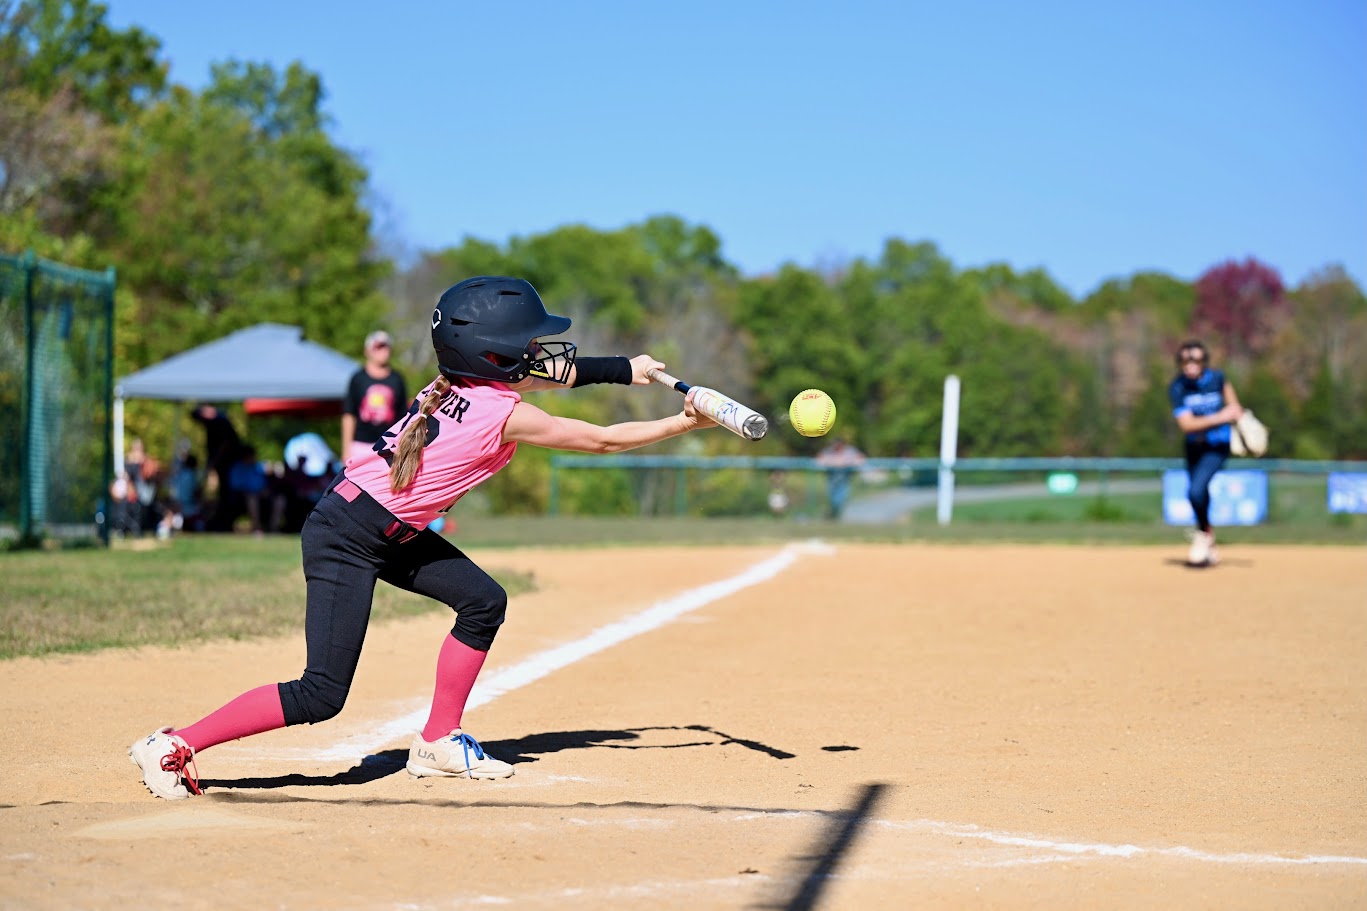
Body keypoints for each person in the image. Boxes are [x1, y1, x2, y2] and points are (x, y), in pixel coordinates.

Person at [129, 276, 718, 799]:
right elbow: (602, 439)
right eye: (527, 342)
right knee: (321, 693)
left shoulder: (455, 382)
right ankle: (173, 744)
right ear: (494, 354)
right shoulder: (503, 413)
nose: (539, 351)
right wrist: (682, 421)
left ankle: (438, 740)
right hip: (347, 533)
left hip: (383, 525)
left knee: (483, 601)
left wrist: (626, 368)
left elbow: (550, 375)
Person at [1169, 339, 1243, 566]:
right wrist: (1219, 417)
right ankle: (1206, 536)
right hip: (1194, 447)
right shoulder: (1178, 387)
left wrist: (1241, 420)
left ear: (1204, 362)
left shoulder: (1217, 378)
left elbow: (1234, 408)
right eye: (1185, 361)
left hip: (1217, 445)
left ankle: (1203, 536)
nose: (1190, 365)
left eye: (1196, 360)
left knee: (1196, 490)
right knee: (1197, 494)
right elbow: (1187, 425)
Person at [342, 330, 408, 464]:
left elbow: (403, 416)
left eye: (386, 347)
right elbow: (349, 414)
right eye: (378, 347)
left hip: (388, 445)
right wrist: (346, 449)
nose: (383, 351)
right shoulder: (358, 379)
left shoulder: (397, 379)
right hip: (360, 445)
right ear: (368, 351)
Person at [816, 437, 865, 519]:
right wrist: (830, 463)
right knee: (833, 500)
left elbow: (860, 459)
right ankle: (832, 515)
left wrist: (848, 463)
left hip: (845, 479)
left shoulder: (850, 451)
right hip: (832, 479)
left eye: (838, 445)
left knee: (841, 500)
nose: (835, 446)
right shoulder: (829, 451)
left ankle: (836, 516)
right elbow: (819, 460)